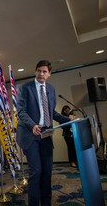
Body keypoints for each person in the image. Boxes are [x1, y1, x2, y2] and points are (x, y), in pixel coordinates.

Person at [16, 60, 70, 206]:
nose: (41, 74)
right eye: (39, 70)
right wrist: (32, 125)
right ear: (35, 71)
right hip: (30, 135)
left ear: (49, 74)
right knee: (36, 172)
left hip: (46, 134)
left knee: (47, 173)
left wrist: (69, 119)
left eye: (44, 71)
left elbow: (52, 113)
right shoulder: (25, 88)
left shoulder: (51, 89)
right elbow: (21, 111)